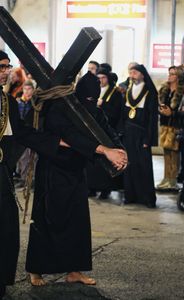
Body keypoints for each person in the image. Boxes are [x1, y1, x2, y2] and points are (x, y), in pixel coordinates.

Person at [24, 73, 128, 285]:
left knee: (78, 222)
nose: (90, 103)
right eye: (87, 99)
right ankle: (36, 270)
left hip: (76, 171)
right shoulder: (60, 108)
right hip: (52, 170)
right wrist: (104, 150)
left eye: (93, 100)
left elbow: (106, 131)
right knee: (47, 220)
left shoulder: (95, 112)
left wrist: (120, 152)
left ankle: (74, 271)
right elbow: (71, 136)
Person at [0, 50, 64, 299]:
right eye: (1, 67)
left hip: (2, 172)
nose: (5, 72)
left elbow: (25, 134)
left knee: (6, 225)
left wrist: (60, 143)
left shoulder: (9, 102)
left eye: (7, 67)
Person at [123, 64, 158, 208]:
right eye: (130, 72)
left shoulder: (149, 92)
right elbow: (124, 113)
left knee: (143, 166)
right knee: (129, 165)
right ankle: (130, 196)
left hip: (142, 134)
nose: (132, 75)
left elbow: (152, 119)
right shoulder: (129, 90)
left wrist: (148, 139)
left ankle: (147, 198)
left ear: (142, 74)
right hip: (128, 133)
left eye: (135, 72)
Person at [87, 68, 124, 199]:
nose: (101, 80)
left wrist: (104, 105)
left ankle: (105, 189)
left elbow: (117, 112)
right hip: (93, 129)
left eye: (103, 78)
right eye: (99, 78)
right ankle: (92, 187)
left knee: (105, 162)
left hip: (107, 130)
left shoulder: (115, 93)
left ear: (108, 78)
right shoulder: (92, 90)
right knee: (93, 161)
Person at [157, 66, 184, 190]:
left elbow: (183, 111)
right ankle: (166, 177)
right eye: (169, 73)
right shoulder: (164, 89)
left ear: (178, 77)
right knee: (166, 152)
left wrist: (172, 113)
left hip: (176, 125)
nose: (169, 76)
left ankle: (172, 179)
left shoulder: (183, 92)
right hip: (165, 124)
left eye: (173, 74)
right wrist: (161, 111)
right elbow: (160, 105)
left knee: (174, 154)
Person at [15, 80, 36, 188]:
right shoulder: (19, 103)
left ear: (33, 90)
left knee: (30, 157)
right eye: (25, 89)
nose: (27, 91)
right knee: (22, 158)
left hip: (31, 133)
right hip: (21, 133)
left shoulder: (34, 103)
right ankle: (23, 179)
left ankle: (29, 180)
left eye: (29, 89)